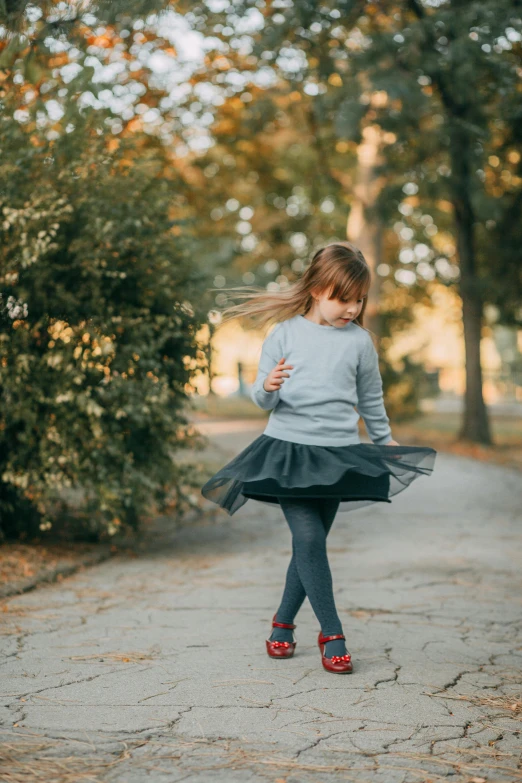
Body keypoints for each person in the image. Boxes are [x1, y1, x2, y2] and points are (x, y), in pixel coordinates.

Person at [201, 241, 436, 674]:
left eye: (359, 299)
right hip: (287, 453)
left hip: (337, 457)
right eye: (342, 298)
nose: (352, 307)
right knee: (308, 540)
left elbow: (371, 400)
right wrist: (268, 387)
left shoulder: (360, 342)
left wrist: (385, 444)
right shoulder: (284, 334)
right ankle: (332, 633)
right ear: (316, 290)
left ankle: (282, 626)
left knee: (309, 547)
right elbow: (262, 400)